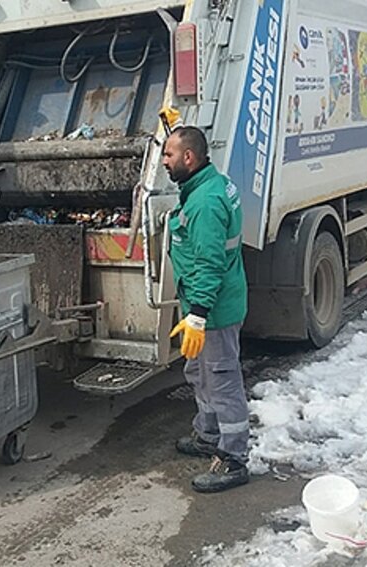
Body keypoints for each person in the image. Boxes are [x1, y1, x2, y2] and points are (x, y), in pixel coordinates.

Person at [162, 126, 251, 493]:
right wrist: (176, 127)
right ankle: (208, 435)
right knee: (199, 372)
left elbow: (210, 264)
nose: (164, 161)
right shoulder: (206, 183)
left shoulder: (205, 204)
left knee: (223, 378)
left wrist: (197, 315)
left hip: (214, 308)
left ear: (189, 158)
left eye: (169, 155)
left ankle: (233, 458)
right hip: (204, 304)